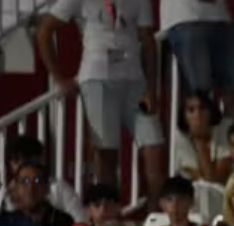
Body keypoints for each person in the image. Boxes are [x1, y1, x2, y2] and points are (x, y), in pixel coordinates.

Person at [36, 0, 165, 208]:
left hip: (135, 80)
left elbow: (148, 40)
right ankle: (107, 215)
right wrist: (59, 77)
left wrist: (151, 88)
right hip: (97, 78)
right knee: (106, 154)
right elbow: (44, 32)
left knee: (154, 145)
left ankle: (155, 215)